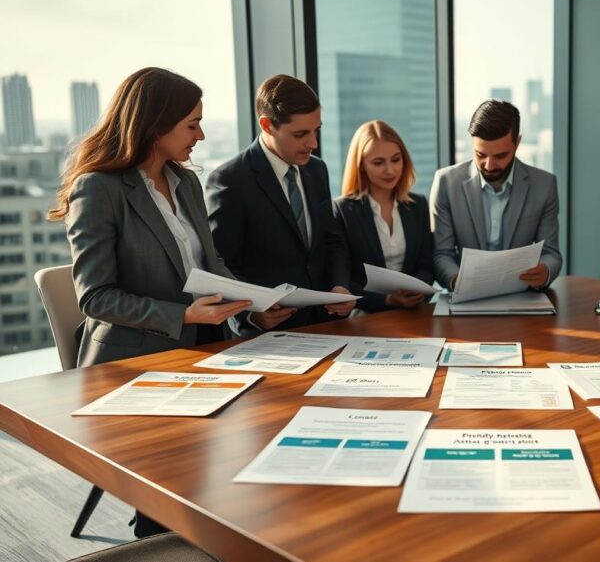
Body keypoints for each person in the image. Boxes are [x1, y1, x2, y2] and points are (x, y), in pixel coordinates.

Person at [50, 67, 258, 538]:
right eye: (191, 124)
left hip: (203, 343)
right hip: (135, 363)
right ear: (154, 123)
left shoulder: (186, 183)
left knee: (247, 447)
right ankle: (160, 532)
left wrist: (254, 302)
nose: (201, 135)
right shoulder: (98, 188)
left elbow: (211, 262)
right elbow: (95, 297)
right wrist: (182, 314)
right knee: (179, 490)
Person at [206, 75, 355, 332]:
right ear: (267, 125)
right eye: (301, 134)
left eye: (316, 130)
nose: (313, 143)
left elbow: (332, 239)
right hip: (266, 335)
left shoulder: (317, 170)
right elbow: (223, 266)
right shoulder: (229, 180)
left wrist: (339, 286)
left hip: (325, 324)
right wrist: (250, 315)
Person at [430, 100, 561, 291]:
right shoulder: (446, 183)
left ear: (517, 143)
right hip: (465, 295)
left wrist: (545, 270)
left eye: (500, 156)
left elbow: (552, 254)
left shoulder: (544, 186)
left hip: (521, 296)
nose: (489, 165)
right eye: (480, 154)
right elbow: (441, 254)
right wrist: (457, 280)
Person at [332, 121, 433, 313]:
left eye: (396, 160)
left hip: (414, 314)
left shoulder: (417, 205)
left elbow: (426, 265)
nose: (390, 170)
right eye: (378, 163)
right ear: (361, 166)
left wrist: (417, 292)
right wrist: (387, 300)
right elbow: (342, 279)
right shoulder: (342, 210)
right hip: (366, 316)